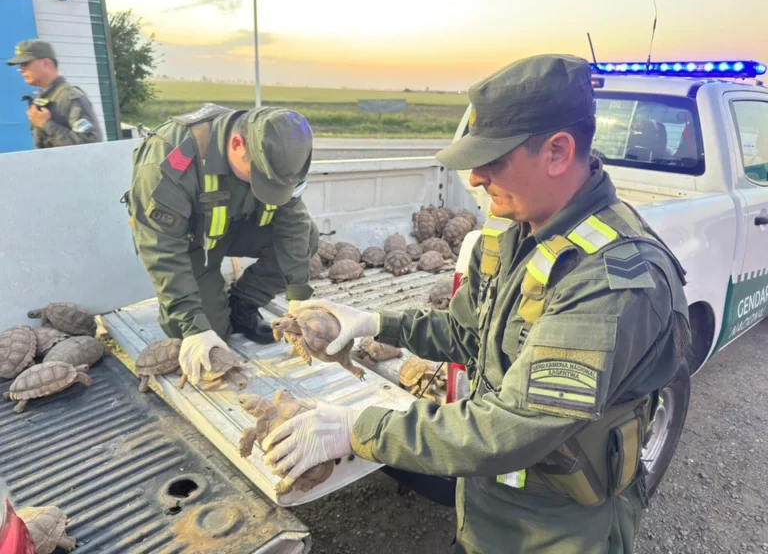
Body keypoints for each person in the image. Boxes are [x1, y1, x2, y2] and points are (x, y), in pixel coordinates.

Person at [259, 55, 692, 553]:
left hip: (556, 531)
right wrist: (378, 323)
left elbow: (516, 424)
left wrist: (359, 429)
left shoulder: (611, 279)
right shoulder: (516, 230)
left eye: (493, 160)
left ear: (556, 151)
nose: (474, 180)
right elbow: (472, 335)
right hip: (489, 507)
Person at [124, 103, 319, 384]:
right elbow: (161, 248)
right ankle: (196, 311)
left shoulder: (283, 160)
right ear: (237, 144)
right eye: (261, 180)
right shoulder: (170, 157)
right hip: (188, 245)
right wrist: (193, 325)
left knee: (308, 236)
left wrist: (299, 295)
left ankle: (242, 305)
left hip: (233, 227)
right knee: (212, 333)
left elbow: (294, 224)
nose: (267, 190)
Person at [6, 39, 103, 148]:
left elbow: (91, 144)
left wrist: (46, 124)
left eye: (25, 63)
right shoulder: (43, 97)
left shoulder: (69, 97)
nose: (20, 70)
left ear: (46, 63)